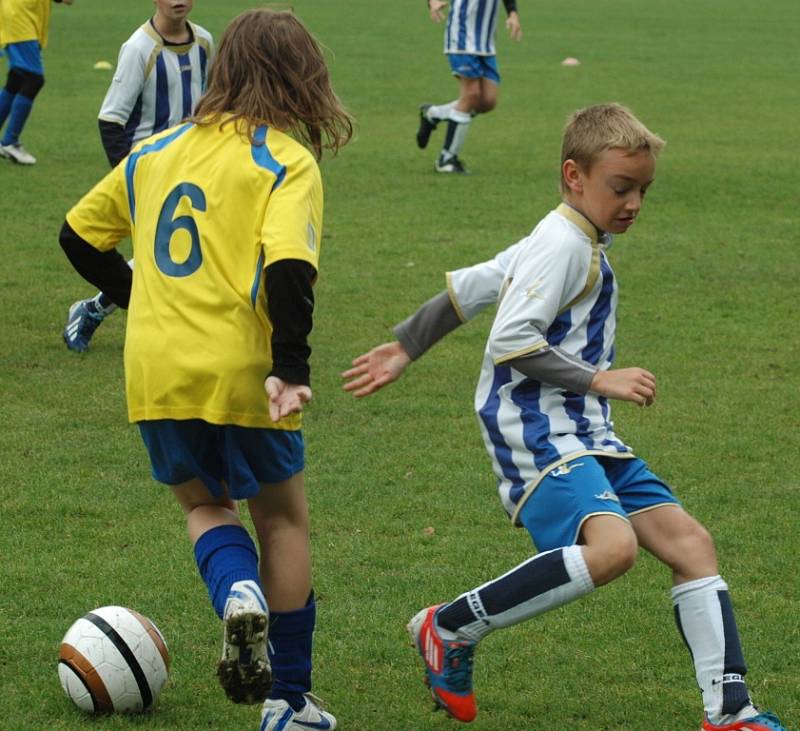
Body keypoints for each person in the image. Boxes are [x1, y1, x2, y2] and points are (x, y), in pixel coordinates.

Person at [343, 104, 787, 730]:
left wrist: (406, 344)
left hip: (584, 429)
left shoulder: (568, 235)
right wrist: (599, 378)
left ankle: (730, 710)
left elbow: (475, 284)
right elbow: (511, 340)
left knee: (691, 544)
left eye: (643, 190)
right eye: (620, 187)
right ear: (574, 175)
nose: (634, 202)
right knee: (612, 550)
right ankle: (451, 626)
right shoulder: (561, 243)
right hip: (534, 422)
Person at [59, 9, 352, 730]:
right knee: (283, 520)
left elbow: (76, 235)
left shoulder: (155, 151)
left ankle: (237, 592)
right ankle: (288, 701)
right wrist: (291, 365)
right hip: (244, 369)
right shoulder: (284, 159)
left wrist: (144, 301)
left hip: (156, 371)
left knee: (203, 507)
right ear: (302, 77)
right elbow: (289, 267)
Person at [62, 0, 214, 353]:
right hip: (148, 172)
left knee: (171, 251)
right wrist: (130, 175)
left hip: (192, 169)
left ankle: (93, 310)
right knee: (163, 252)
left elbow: (209, 102)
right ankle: (99, 311)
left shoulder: (205, 41)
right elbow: (111, 119)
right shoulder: (139, 48)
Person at [417, 0, 522, 174]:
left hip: (485, 40)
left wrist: (513, 13)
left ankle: (433, 113)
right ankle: (446, 158)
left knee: (488, 100)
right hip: (461, 35)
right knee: (471, 94)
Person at [0, 0, 73, 165]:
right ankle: (10, 142)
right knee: (33, 79)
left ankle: (9, 141)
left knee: (16, 79)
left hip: (16, 15)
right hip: (20, 19)